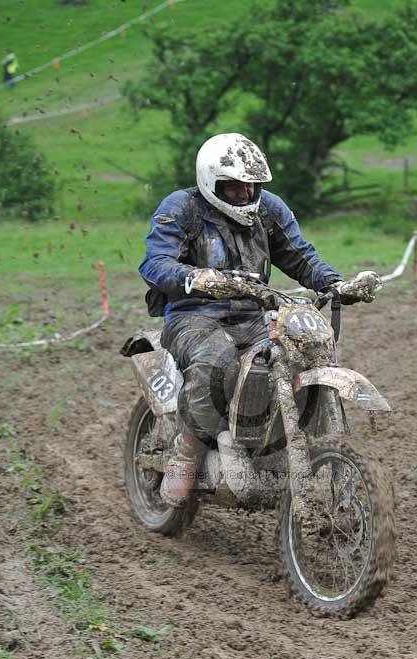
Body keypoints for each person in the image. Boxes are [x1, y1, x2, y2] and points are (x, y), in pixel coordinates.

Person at [139, 132, 374, 508]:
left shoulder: (268, 210)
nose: (244, 195)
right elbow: (155, 262)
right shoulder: (182, 208)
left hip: (254, 311)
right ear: (211, 181)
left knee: (292, 355)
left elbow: (299, 255)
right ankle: (187, 448)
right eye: (233, 187)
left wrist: (335, 283)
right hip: (193, 315)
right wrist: (199, 278)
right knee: (216, 361)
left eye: (251, 186)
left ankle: (266, 443)